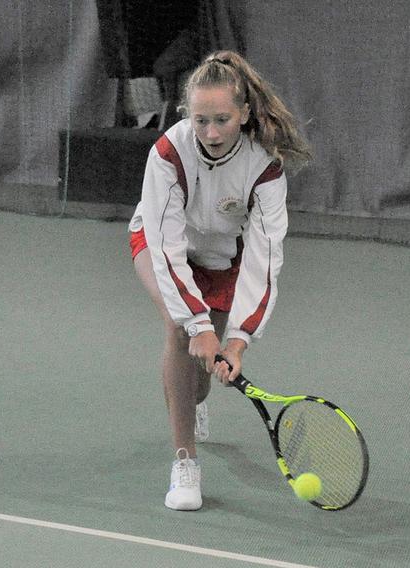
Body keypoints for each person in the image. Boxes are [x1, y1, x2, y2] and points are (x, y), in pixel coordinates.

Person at [129, 50, 312, 511]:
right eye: (200, 120)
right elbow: (166, 247)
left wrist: (237, 341)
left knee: (203, 375)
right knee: (178, 329)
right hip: (160, 247)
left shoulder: (264, 166)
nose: (210, 132)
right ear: (186, 114)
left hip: (223, 260)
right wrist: (198, 323)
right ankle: (184, 462)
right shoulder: (168, 153)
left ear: (245, 114)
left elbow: (265, 259)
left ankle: (195, 397)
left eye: (223, 120)